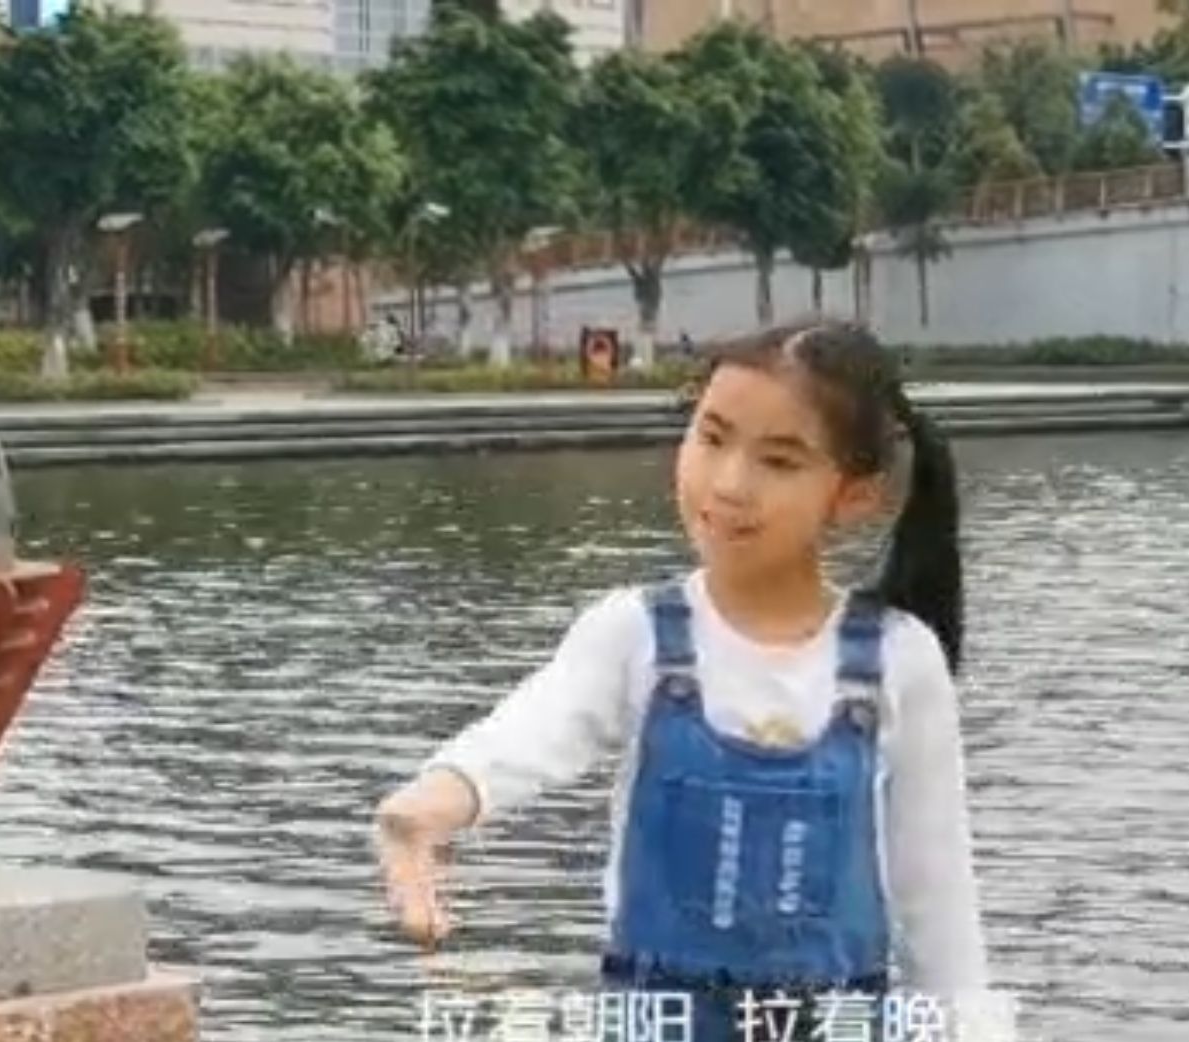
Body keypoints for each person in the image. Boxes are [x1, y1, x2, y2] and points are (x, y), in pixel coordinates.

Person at [375, 320, 1017, 1042]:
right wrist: (427, 805)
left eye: (778, 461)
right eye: (711, 438)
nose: (728, 483)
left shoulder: (900, 660)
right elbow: (529, 733)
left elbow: (938, 907)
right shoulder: (636, 633)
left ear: (854, 495)